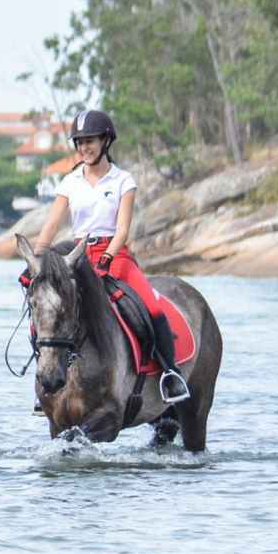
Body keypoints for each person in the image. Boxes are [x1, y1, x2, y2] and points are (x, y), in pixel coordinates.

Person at [30, 109, 190, 403]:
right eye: (79, 143)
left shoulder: (122, 180)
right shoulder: (70, 182)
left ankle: (170, 374)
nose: (84, 148)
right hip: (76, 258)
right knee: (45, 309)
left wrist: (107, 258)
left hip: (115, 256)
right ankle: (46, 383)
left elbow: (123, 229)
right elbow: (52, 224)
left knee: (152, 308)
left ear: (106, 141)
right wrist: (38, 260)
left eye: (89, 141)